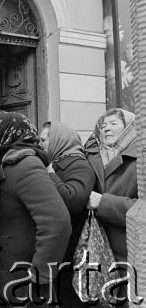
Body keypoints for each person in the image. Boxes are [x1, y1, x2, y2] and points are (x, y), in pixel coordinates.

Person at [0, 112, 71, 307]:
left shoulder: (25, 165)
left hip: (24, 279)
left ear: (7, 133)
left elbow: (58, 222)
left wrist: (40, 274)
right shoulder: (9, 162)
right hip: (12, 274)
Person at [39, 121, 95, 307]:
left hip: (73, 248)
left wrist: (50, 172)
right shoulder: (58, 162)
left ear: (58, 140)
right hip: (62, 246)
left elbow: (74, 200)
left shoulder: (79, 165)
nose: (41, 144)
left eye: (44, 140)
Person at [84, 108, 137, 304]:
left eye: (114, 123)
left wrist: (102, 202)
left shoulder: (140, 159)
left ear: (129, 128)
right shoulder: (90, 156)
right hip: (95, 253)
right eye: (103, 125)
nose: (106, 128)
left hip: (128, 256)